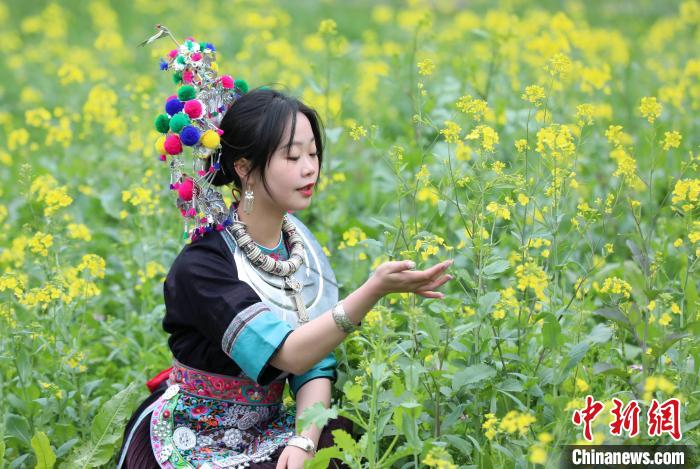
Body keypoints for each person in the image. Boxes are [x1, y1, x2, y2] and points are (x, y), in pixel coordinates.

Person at [117, 88, 453, 468]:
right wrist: (373, 290)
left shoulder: (297, 245)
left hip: (265, 425)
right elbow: (290, 353)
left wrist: (304, 440)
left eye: (313, 153)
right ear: (243, 168)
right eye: (292, 156)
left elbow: (314, 362)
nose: (310, 168)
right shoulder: (203, 266)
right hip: (195, 433)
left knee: (336, 446)